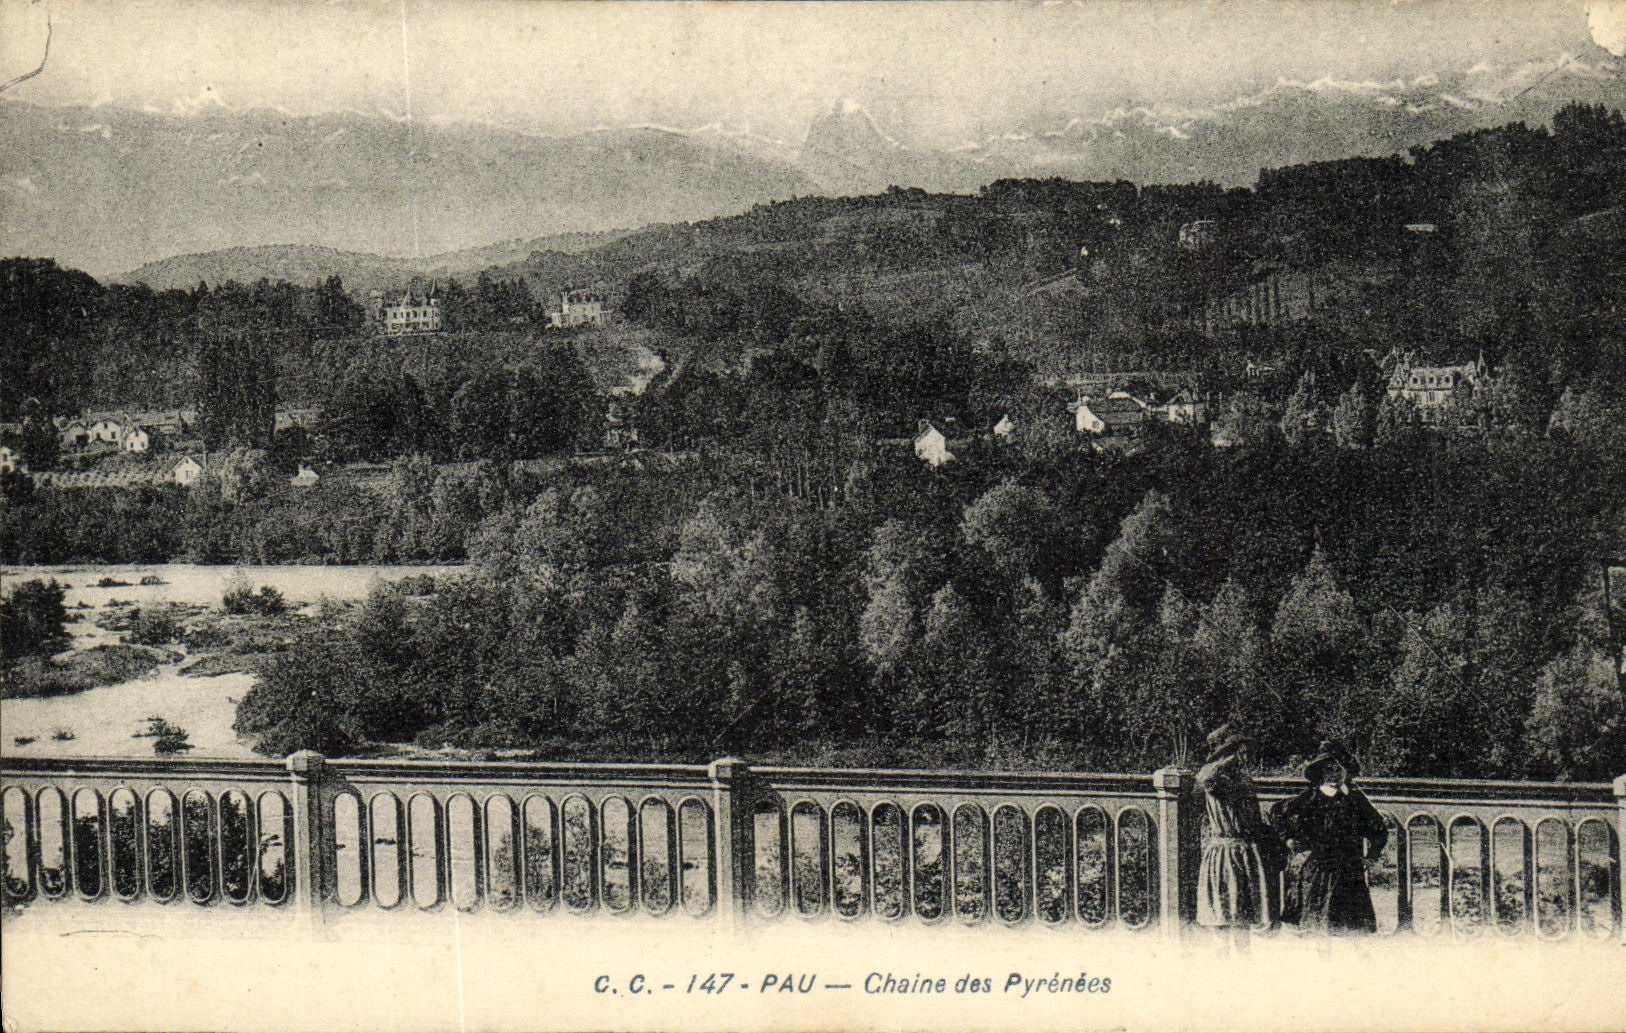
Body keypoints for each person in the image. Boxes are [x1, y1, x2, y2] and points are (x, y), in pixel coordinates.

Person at [1271, 739, 1388, 935]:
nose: (1333, 774)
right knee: (1319, 929)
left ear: (1345, 771)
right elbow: (1277, 812)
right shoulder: (1312, 797)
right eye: (1328, 769)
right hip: (1320, 870)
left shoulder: (1354, 798)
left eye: (1338, 769)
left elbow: (1378, 827)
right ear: (1321, 772)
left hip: (1350, 871)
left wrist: (1372, 854)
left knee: (1352, 931)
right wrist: (1289, 839)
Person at [1194, 723, 1285, 950]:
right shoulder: (1216, 779)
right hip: (1223, 852)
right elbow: (1204, 778)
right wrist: (1224, 760)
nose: (1242, 755)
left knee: (1243, 919)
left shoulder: (1243, 779)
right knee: (1222, 917)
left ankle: (1242, 969)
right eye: (1236, 750)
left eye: (1241, 750)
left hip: (1246, 851)